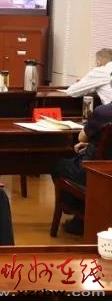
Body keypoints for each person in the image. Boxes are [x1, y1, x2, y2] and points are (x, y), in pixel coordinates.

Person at [50, 99, 112, 235]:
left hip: (94, 172)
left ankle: (80, 216)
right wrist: (94, 144)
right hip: (109, 170)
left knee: (58, 166)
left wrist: (91, 143)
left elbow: (81, 137)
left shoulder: (103, 112)